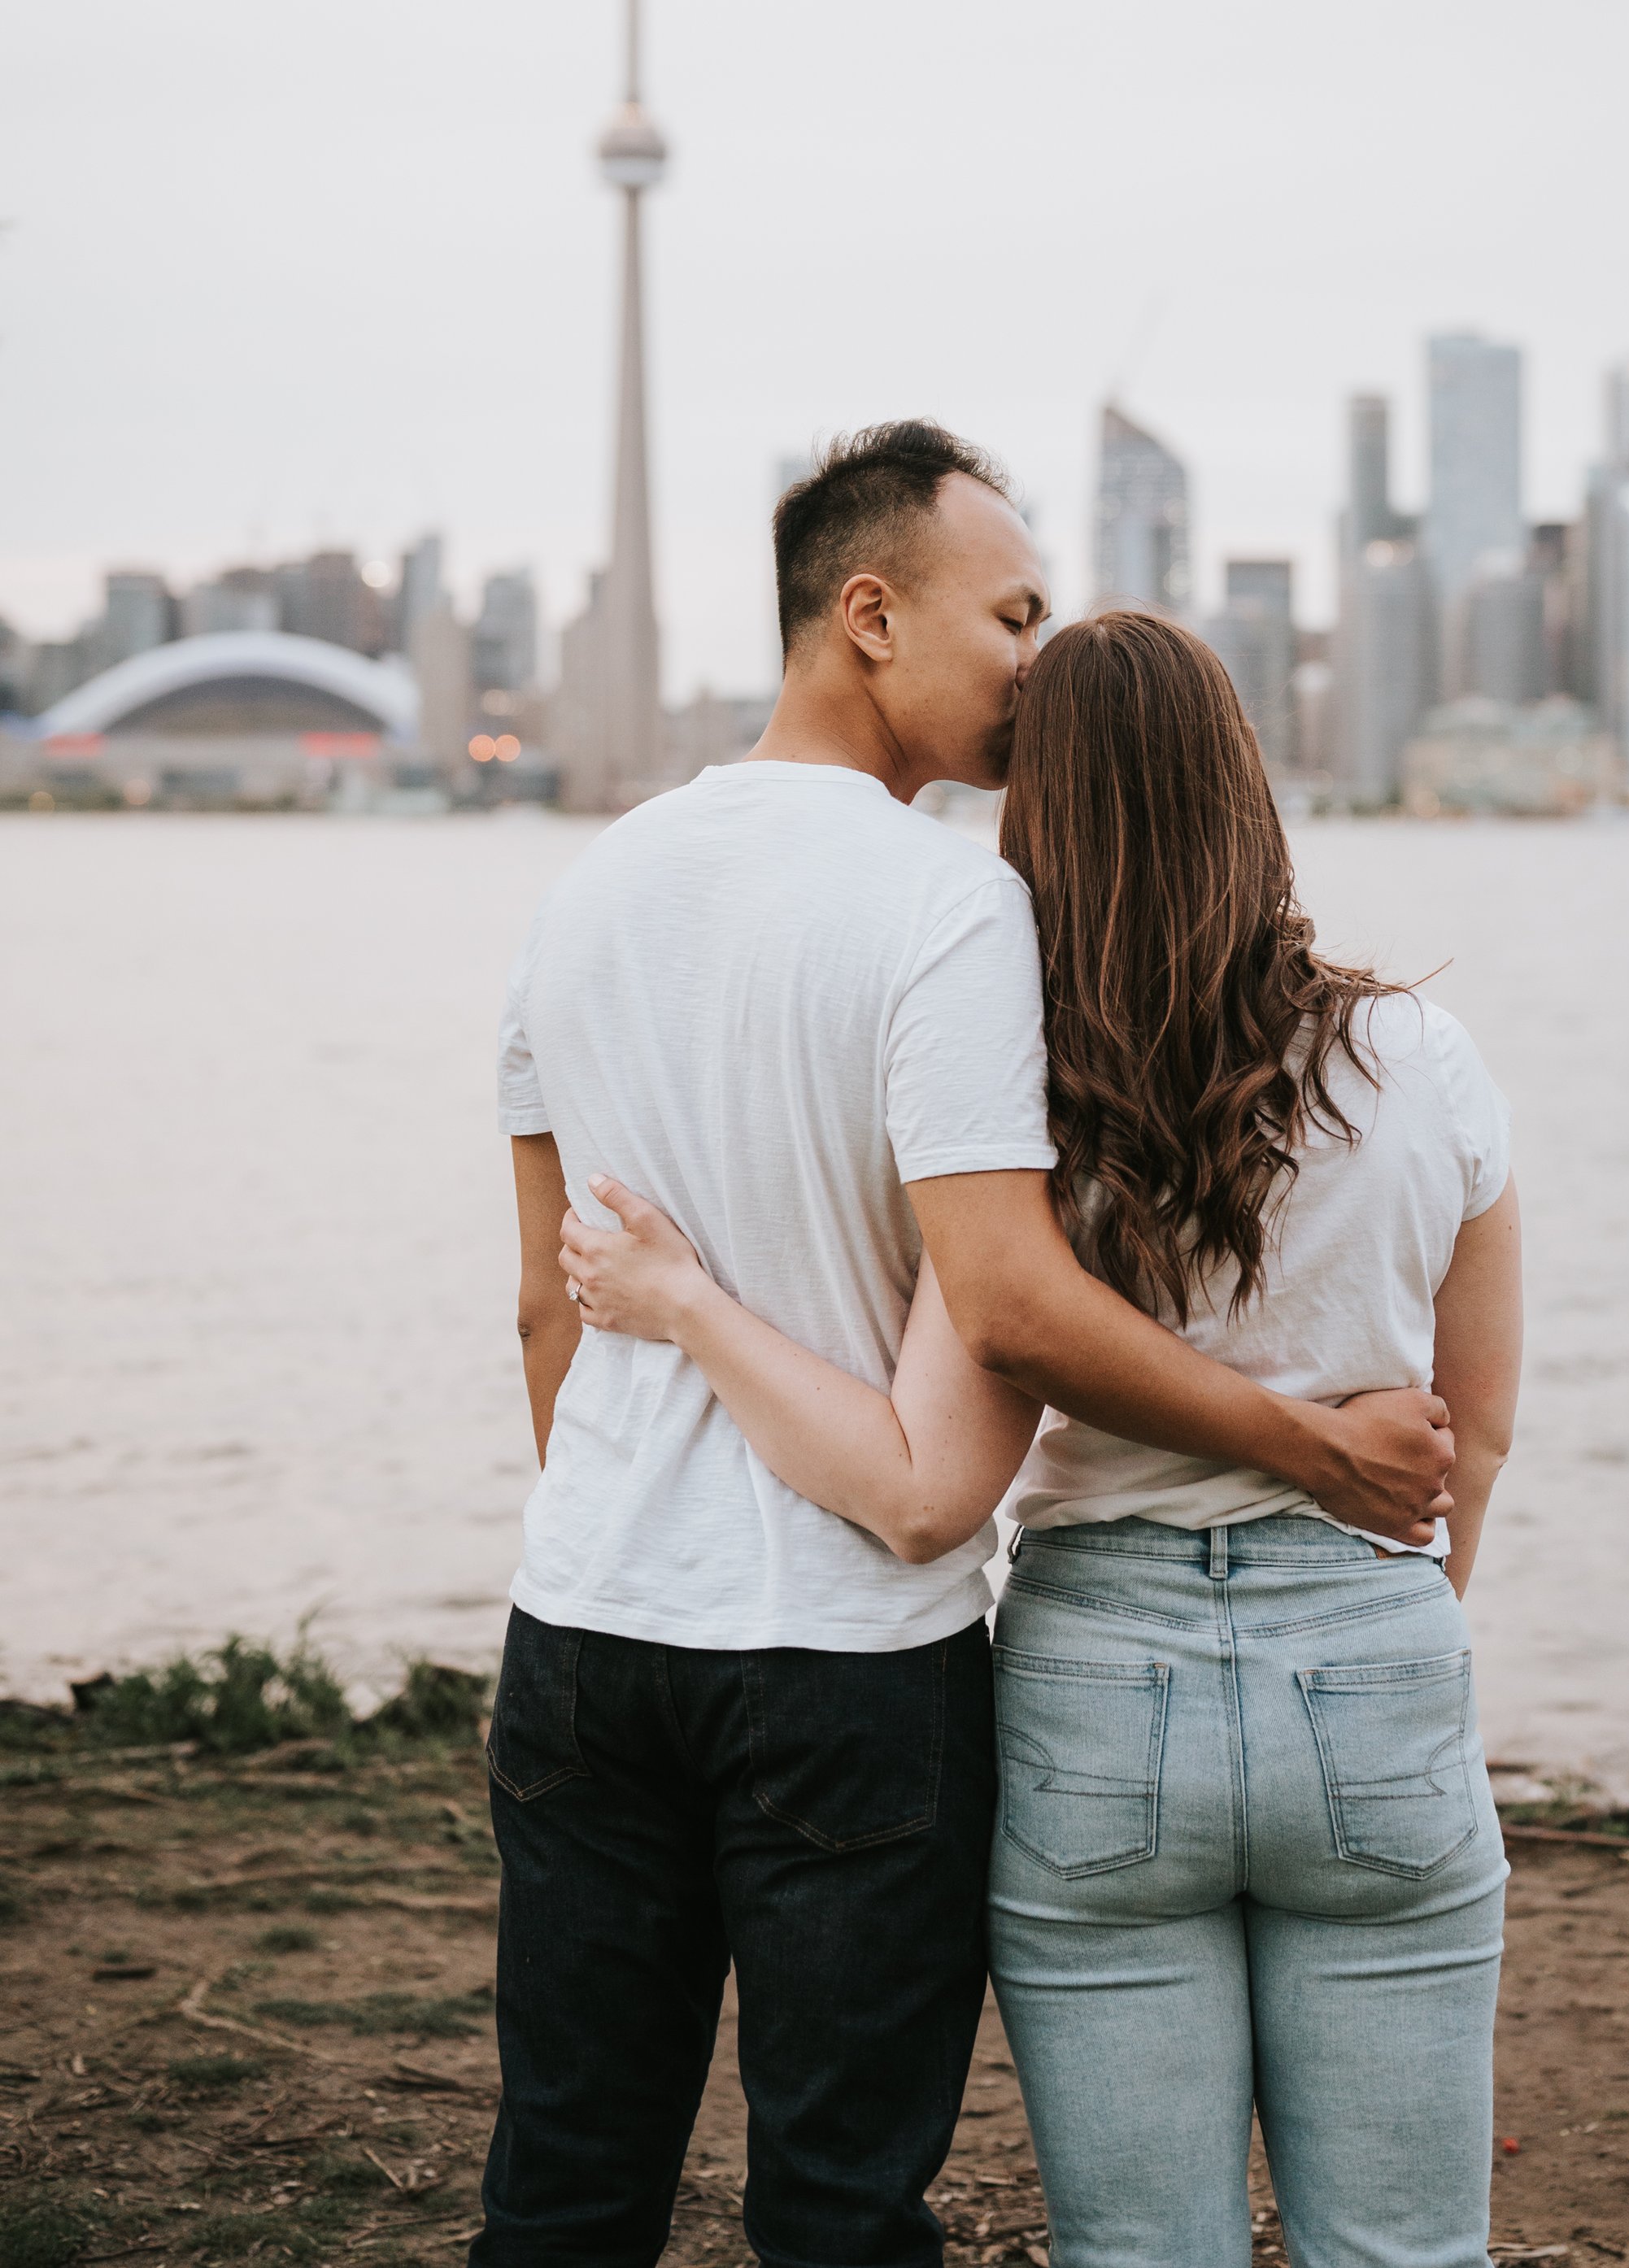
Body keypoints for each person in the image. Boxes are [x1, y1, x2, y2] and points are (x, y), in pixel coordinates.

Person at [478, 424, 1456, 2268]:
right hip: (845, 1660)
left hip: (585, 1628)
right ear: (867, 616)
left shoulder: (583, 888)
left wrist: (628, 1516)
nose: (1036, 654)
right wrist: (1306, 1440)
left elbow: (548, 1296)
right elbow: (1003, 1297)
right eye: (1009, 610)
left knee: (562, 2177)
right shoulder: (951, 905)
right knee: (841, 2203)